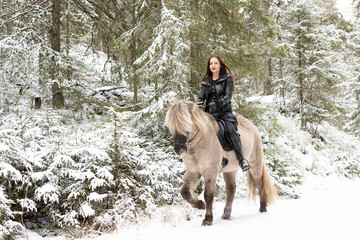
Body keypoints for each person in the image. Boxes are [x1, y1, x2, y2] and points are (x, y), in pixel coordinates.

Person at [196, 55, 251, 172]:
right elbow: (201, 98)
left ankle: (241, 160)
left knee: (230, 129)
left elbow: (227, 96)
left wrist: (217, 103)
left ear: (220, 64)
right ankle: (193, 163)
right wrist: (194, 105)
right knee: (196, 131)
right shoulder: (206, 81)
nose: (213, 66)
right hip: (209, 115)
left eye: (215, 63)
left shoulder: (227, 78)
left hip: (224, 113)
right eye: (211, 64)